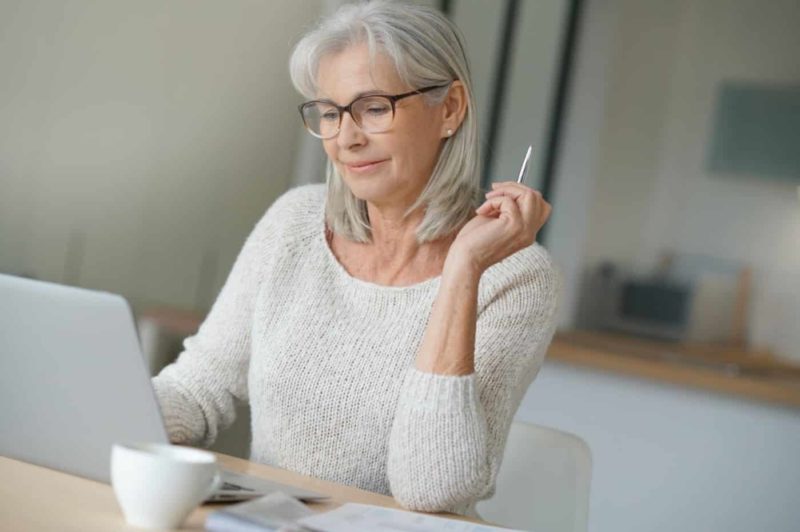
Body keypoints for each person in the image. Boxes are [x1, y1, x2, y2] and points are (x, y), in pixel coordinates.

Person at [152, 0, 560, 517]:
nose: (346, 138)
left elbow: (433, 488)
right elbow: (198, 389)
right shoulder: (293, 223)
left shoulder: (516, 278)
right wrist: (99, 411)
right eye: (329, 112)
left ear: (451, 108)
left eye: (373, 107)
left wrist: (463, 270)